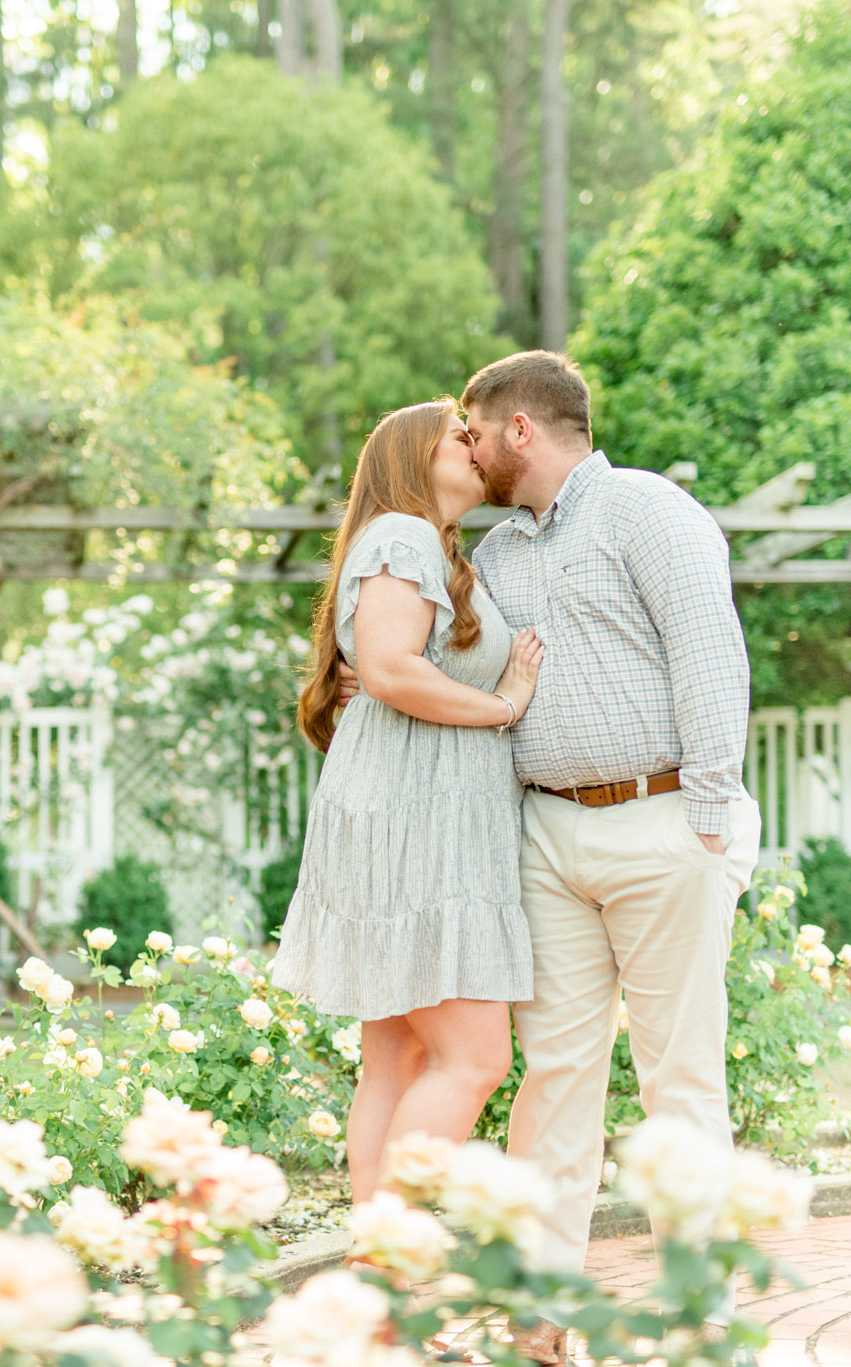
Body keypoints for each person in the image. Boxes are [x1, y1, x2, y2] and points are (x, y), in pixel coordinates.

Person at [461, 350, 758, 1364]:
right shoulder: (495, 552)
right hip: (544, 833)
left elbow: (708, 649)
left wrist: (707, 812)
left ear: (519, 429)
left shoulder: (645, 509)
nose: (466, 448)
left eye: (472, 428)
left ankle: (694, 1307)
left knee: (679, 1072)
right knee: (553, 1075)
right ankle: (541, 1305)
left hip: (664, 817)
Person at [273, 398, 545, 1207]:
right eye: (458, 436)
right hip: (419, 818)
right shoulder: (404, 533)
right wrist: (507, 702)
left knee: (399, 1059)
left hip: (410, 804)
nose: (474, 446)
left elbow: (382, 663)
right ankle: (389, 1269)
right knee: (474, 1058)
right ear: (409, 458)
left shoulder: (431, 547)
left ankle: (376, 1275)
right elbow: (390, 668)